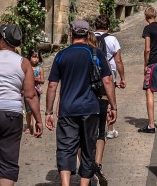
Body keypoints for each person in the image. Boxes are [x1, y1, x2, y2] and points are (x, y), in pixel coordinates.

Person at [45, 19, 117, 186]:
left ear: (71, 34)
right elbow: (107, 81)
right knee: (88, 148)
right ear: (87, 34)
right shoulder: (95, 53)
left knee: (65, 148)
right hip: (90, 109)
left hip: (67, 110)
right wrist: (113, 106)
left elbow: (52, 85)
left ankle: (65, 183)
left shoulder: (61, 55)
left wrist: (48, 112)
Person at [0, 23, 42, 186]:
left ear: (2, 40)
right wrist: (38, 119)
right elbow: (30, 95)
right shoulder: (23, 62)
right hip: (10, 113)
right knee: (8, 160)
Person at [93, 15, 125, 141]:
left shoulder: (89, 37)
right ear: (108, 27)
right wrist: (122, 78)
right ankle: (110, 129)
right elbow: (118, 61)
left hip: (91, 74)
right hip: (108, 74)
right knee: (109, 101)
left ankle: (93, 127)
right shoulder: (112, 39)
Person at [140, 6, 157, 134]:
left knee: (149, 91)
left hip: (154, 62)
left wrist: (146, 65)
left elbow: (147, 49)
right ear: (155, 16)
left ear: (146, 17)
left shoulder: (148, 29)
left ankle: (151, 125)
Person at [25, 50, 44, 135]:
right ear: (29, 57)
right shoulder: (26, 68)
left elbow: (43, 81)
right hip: (27, 91)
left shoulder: (40, 69)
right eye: (33, 57)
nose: (35, 59)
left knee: (35, 110)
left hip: (37, 92)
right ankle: (29, 126)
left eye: (37, 57)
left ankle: (36, 126)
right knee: (28, 111)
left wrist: (38, 80)